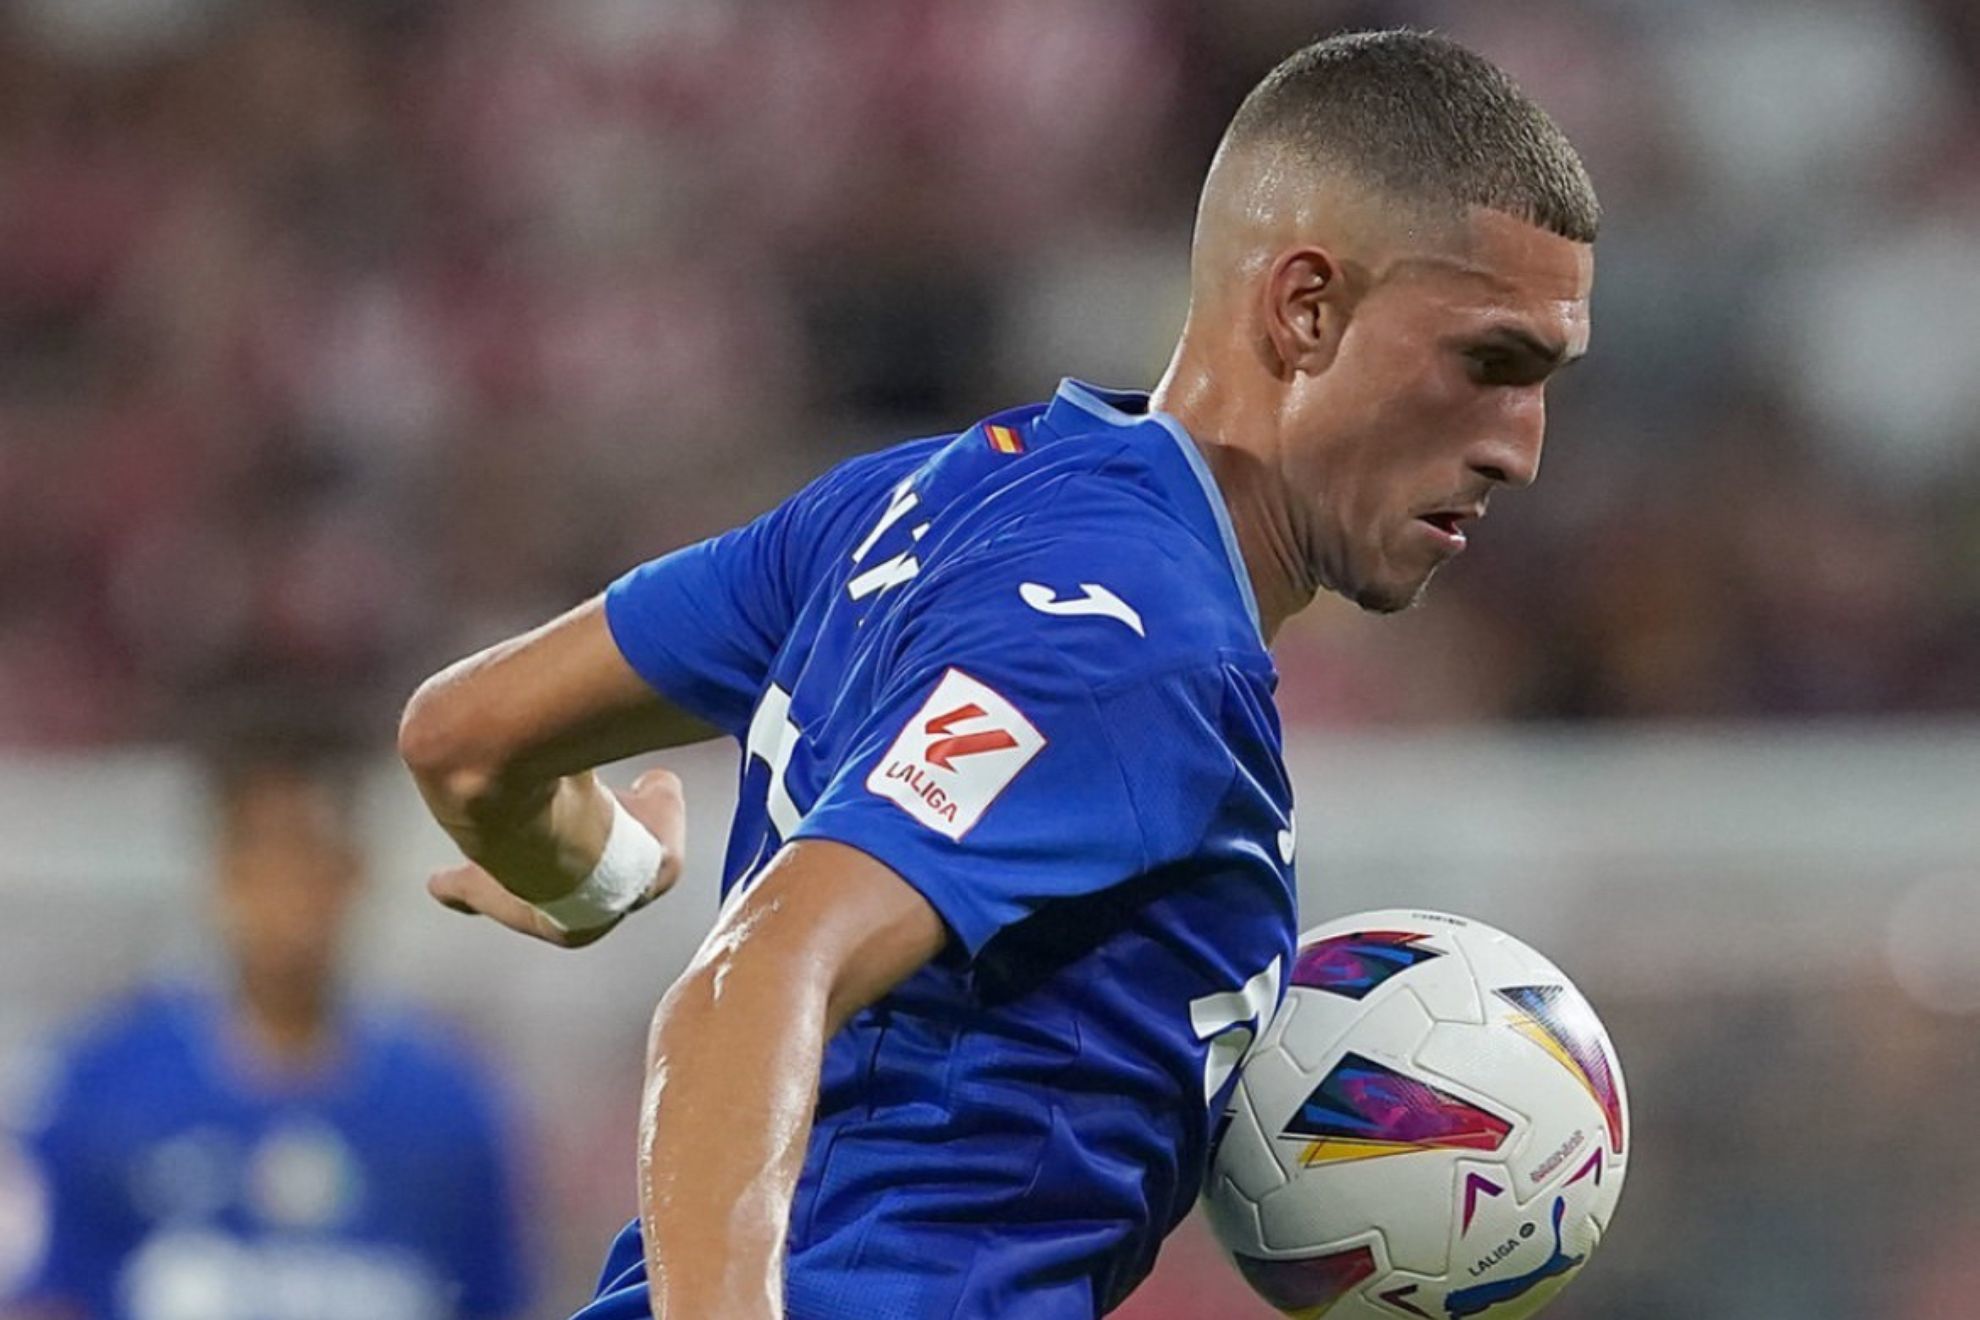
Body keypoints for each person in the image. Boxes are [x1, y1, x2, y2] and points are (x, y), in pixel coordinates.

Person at [397, 28, 1598, 1320]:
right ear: (1307, 308)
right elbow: (748, 984)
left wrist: (596, 871)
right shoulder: (1133, 648)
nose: (1520, 448)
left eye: (1545, 383)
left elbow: (465, 739)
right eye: (1490, 364)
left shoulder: (916, 499)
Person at [2, 742, 534, 1320]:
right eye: (264, 858)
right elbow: (44, 1297)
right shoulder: (93, 1086)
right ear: (221, 873)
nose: (289, 895)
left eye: (310, 858)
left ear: (353, 872)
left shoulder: (451, 1105)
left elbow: (497, 1299)